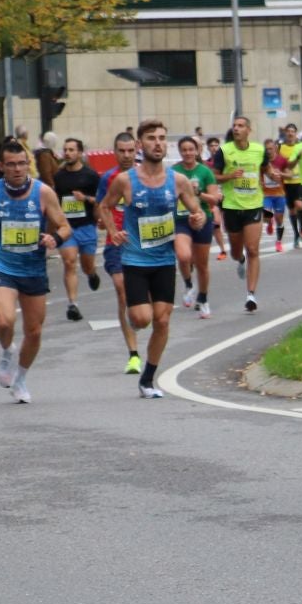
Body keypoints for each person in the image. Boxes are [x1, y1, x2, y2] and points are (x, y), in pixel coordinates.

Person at [100, 119, 209, 398]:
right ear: (140, 145)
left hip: (163, 260)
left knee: (162, 321)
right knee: (142, 319)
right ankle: (134, 314)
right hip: (135, 260)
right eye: (151, 138)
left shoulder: (178, 181)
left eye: (162, 138)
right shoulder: (126, 180)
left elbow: (197, 213)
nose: (158, 143)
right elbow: (104, 206)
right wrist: (113, 231)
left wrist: (197, 219)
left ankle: (148, 379)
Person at [0, 138, 71, 404]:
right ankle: (6, 350)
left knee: (34, 331)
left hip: (33, 267)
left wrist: (54, 239)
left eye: (22, 163)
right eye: (11, 165)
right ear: (1, 166)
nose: (17, 169)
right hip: (2, 264)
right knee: (4, 321)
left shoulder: (44, 193)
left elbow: (65, 227)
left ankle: (20, 378)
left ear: (28, 165)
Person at [211, 115, 267, 312]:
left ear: (248, 130)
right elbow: (214, 177)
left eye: (241, 126)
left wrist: (273, 174)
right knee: (236, 251)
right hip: (232, 207)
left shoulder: (259, 150)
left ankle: (251, 295)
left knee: (252, 249)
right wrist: (229, 176)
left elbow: (266, 169)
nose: (236, 129)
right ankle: (240, 260)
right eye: (234, 126)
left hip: (253, 205)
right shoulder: (224, 151)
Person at [98, 132, 144, 372]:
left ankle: (137, 316)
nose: (126, 155)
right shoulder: (108, 178)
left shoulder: (145, 176)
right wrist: (107, 225)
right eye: (121, 151)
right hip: (116, 243)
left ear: (136, 150)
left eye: (130, 151)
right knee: (121, 290)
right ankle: (133, 354)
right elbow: (101, 208)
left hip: (144, 245)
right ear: (114, 152)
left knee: (142, 305)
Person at [52, 137, 104, 324]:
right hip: (67, 229)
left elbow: (100, 201)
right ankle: (72, 304)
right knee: (69, 262)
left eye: (72, 150)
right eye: (65, 150)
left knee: (86, 265)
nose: (67, 153)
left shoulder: (90, 176)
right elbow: (54, 202)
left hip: (87, 226)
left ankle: (91, 273)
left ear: (80, 153)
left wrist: (86, 199)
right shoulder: (59, 177)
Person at [173, 135, 220, 318]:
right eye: (184, 150)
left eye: (191, 149)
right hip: (181, 219)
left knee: (201, 264)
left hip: (202, 218)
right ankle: (189, 285)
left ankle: (203, 298)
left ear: (197, 151)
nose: (187, 153)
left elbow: (214, 199)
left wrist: (198, 192)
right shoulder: (174, 171)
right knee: (183, 256)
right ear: (180, 151)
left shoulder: (205, 172)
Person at [277, 123, 302, 248]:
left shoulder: (301, 147)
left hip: (299, 181)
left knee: (299, 205)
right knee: (291, 210)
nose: (290, 134)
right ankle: (296, 234)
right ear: (285, 133)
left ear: (296, 134)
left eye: (292, 131)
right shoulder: (280, 148)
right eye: (288, 131)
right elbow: (277, 163)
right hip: (286, 183)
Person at [261, 137, 287, 248]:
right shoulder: (261, 162)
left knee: (279, 219)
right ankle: (269, 222)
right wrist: (260, 182)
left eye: (270, 149)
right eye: (266, 149)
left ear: (275, 148)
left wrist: (280, 174)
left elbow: (289, 174)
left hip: (279, 194)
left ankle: (278, 242)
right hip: (266, 194)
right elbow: (258, 176)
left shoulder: (282, 160)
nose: (268, 151)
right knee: (266, 216)